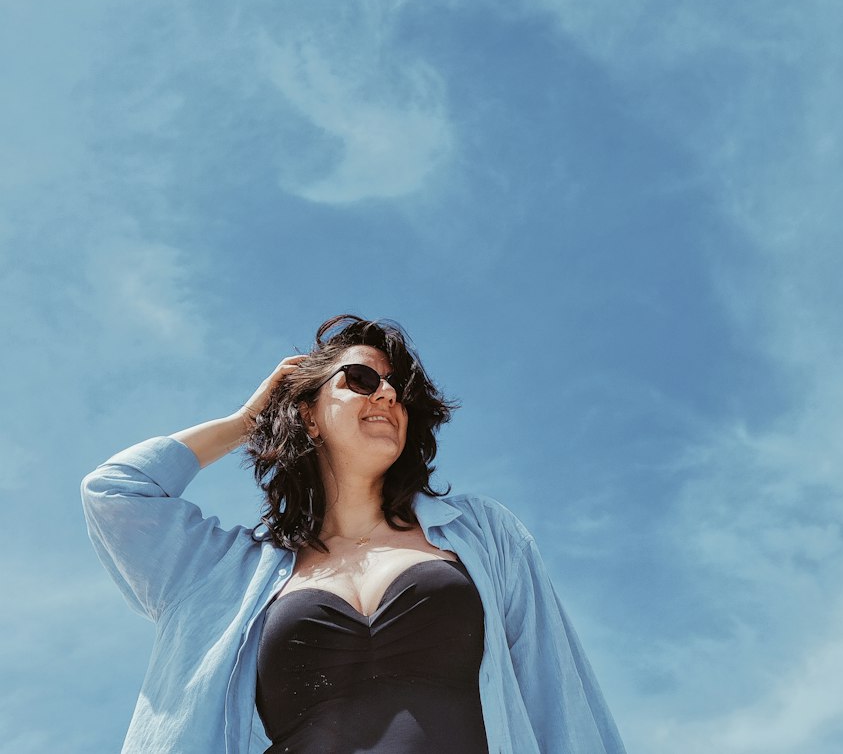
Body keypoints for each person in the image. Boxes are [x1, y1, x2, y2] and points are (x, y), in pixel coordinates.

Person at [82, 314, 628, 754]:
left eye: (399, 390)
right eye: (362, 379)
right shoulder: (232, 575)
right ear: (309, 415)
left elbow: (558, 697)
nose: (387, 394)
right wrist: (249, 420)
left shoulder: (479, 533)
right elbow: (116, 492)